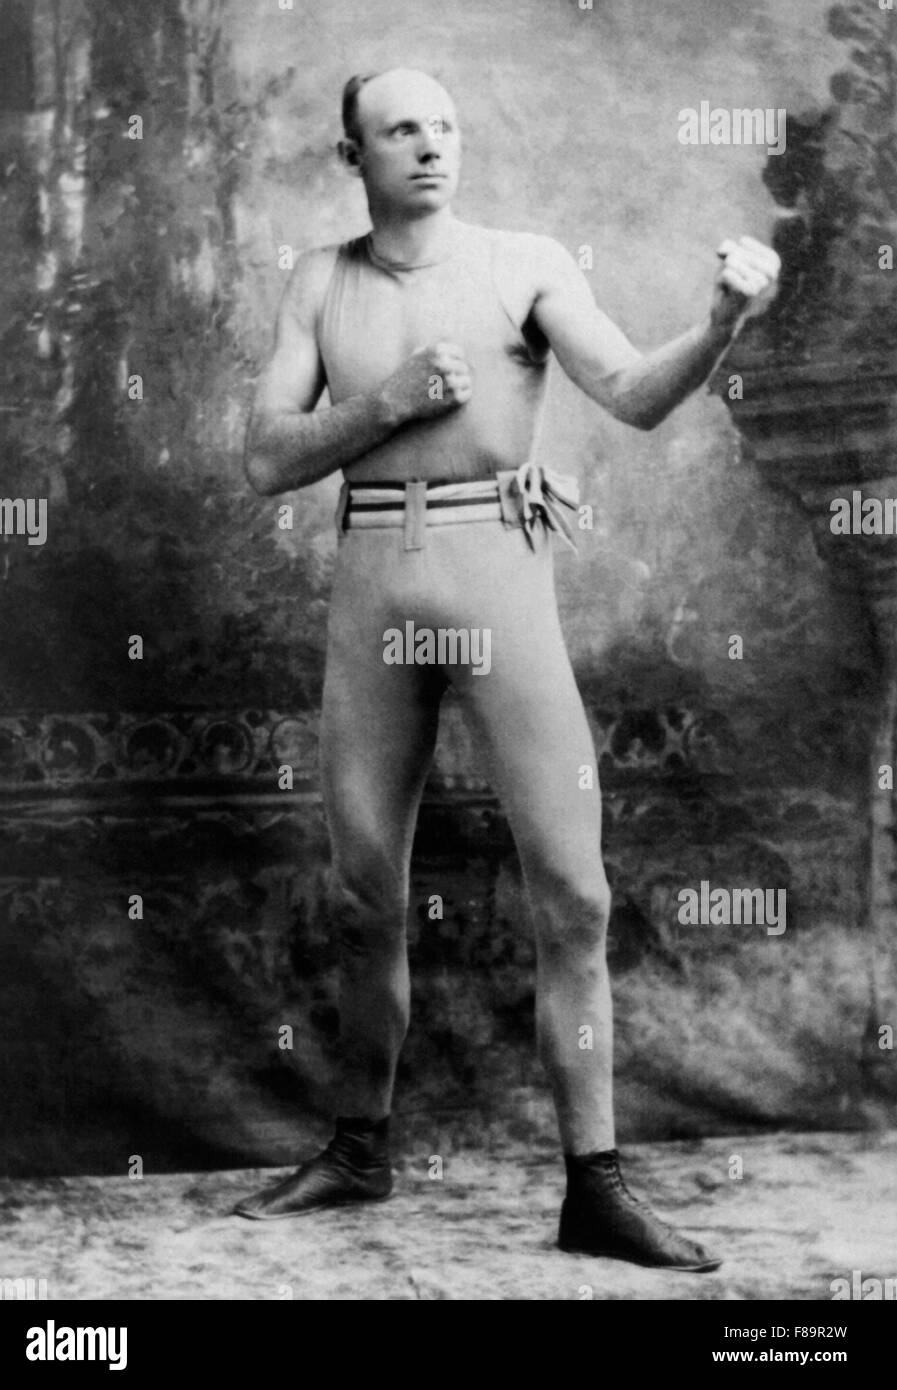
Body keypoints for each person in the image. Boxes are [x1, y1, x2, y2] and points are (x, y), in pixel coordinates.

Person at [234, 66, 779, 1270]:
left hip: (501, 577)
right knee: (365, 891)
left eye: (444, 126)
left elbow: (633, 394)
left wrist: (723, 322)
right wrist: (383, 403)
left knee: (575, 890)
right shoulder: (320, 282)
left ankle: (597, 1184)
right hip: (374, 584)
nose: (430, 146)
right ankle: (359, 1148)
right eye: (400, 130)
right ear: (353, 156)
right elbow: (266, 460)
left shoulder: (524, 260)